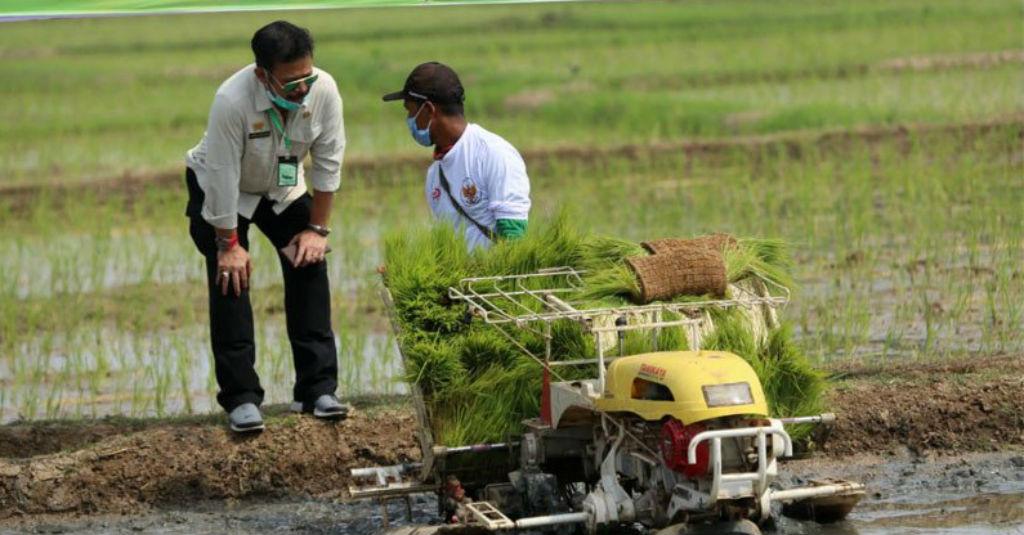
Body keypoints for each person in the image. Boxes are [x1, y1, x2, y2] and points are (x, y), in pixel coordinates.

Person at [184, 20, 349, 433]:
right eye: (291, 82)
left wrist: (317, 231)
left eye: (307, 77)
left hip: (280, 186)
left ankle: (317, 390)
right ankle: (241, 398)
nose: (302, 89)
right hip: (224, 190)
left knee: (309, 261)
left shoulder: (324, 90)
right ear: (262, 75)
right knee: (230, 279)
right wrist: (228, 244)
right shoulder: (231, 101)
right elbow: (221, 177)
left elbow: (328, 165)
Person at [382, 62, 531, 250]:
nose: (409, 120)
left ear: (428, 110)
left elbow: (514, 238)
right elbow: (446, 246)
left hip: (494, 278)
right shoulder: (435, 174)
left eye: (410, 111)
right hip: (463, 280)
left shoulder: (494, 154)